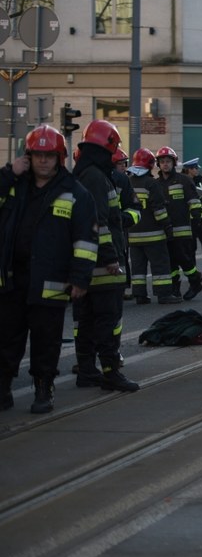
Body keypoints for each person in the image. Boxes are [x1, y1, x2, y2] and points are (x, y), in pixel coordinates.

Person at [0, 125, 97, 413]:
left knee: (46, 340)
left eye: (49, 155)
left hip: (51, 280)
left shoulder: (76, 193)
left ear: (60, 158)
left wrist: (80, 277)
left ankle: (44, 388)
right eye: (38, 154)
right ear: (28, 156)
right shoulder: (14, 186)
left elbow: (86, 239)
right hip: (11, 280)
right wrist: (7, 173)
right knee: (5, 339)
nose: (43, 160)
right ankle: (3, 388)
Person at [72, 119, 139, 392]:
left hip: (86, 264)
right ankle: (111, 372)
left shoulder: (85, 174)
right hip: (104, 266)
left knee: (86, 320)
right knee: (107, 320)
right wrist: (111, 257)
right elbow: (99, 222)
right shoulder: (97, 178)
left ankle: (87, 371)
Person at [127, 148, 180, 304]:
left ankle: (140, 295)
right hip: (154, 235)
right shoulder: (151, 183)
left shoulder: (128, 182)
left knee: (138, 268)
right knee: (160, 266)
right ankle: (163, 295)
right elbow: (159, 210)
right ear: (151, 164)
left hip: (133, 235)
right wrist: (168, 226)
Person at [155, 146, 202, 300]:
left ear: (174, 163)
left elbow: (194, 200)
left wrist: (196, 218)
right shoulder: (156, 184)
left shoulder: (184, 180)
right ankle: (175, 287)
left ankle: (195, 281)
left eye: (168, 161)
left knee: (185, 260)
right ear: (158, 164)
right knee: (170, 262)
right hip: (165, 230)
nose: (165, 164)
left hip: (182, 229)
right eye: (162, 161)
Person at [111, 148, 141, 301]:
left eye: (124, 164)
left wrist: (121, 219)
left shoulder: (124, 182)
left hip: (120, 228)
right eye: (120, 164)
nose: (123, 167)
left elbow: (134, 207)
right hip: (110, 228)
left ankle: (122, 289)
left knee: (122, 256)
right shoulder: (103, 180)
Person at [180, 158, 202, 280]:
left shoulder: (198, 181)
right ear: (189, 170)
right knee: (192, 248)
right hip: (190, 220)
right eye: (195, 168)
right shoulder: (184, 182)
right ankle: (193, 276)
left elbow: (201, 199)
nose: (197, 170)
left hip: (201, 218)